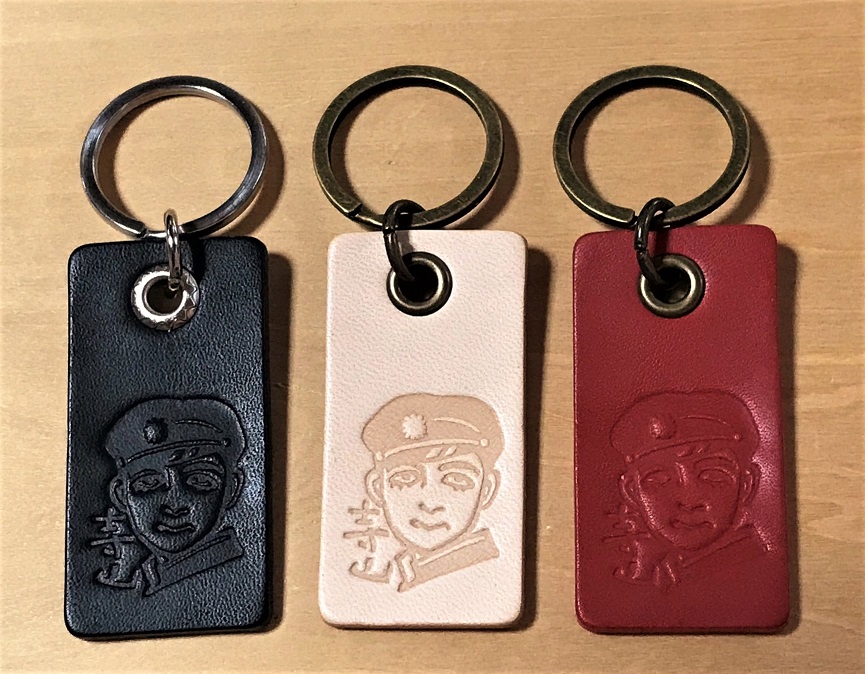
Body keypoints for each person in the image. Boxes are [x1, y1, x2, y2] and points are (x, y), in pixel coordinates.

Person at [607, 390, 768, 588]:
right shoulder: (661, 569)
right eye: (659, 481)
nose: (689, 501)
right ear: (632, 492)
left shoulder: (747, 574)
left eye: (713, 476)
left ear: (746, 485)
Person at [346, 393, 504, 592]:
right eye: (406, 478)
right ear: (377, 488)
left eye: (456, 480)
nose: (430, 503)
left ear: (487, 489)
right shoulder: (406, 570)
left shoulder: (485, 578)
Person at [91, 397, 246, 595]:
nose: (174, 505)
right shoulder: (152, 575)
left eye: (199, 480)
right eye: (148, 483)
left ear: (232, 488)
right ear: (121, 495)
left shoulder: (227, 582)